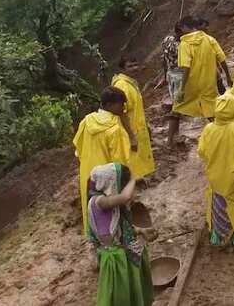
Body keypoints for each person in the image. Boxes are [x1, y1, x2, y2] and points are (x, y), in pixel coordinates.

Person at [87, 163, 154, 306]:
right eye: (121, 185)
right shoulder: (99, 202)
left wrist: (140, 231)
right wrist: (133, 180)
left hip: (124, 256)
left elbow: (120, 228)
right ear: (111, 183)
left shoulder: (112, 204)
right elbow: (124, 197)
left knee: (132, 294)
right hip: (115, 260)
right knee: (119, 297)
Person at [197, 94, 234, 248]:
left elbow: (202, 152)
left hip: (216, 178)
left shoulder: (208, 129)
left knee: (220, 206)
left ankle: (222, 236)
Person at [73, 87, 133, 235]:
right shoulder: (114, 129)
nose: (123, 108)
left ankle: (97, 239)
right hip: (108, 179)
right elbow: (120, 163)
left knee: (93, 212)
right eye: (121, 104)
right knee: (113, 217)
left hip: (88, 175)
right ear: (109, 105)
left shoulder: (86, 122)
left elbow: (78, 151)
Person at [171, 17, 232, 125]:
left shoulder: (184, 44)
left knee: (176, 110)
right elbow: (222, 59)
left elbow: (186, 68)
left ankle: (170, 141)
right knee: (211, 112)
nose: (178, 34)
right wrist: (228, 77)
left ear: (184, 27)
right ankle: (220, 134)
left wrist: (181, 89)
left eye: (179, 30)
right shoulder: (209, 39)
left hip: (191, 85)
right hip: (208, 84)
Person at [111, 57, 155, 179]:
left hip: (138, 128)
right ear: (122, 69)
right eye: (130, 66)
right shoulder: (122, 86)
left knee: (141, 162)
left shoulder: (130, 84)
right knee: (134, 162)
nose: (135, 69)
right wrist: (131, 136)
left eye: (136, 65)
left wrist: (146, 125)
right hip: (131, 130)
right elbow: (121, 112)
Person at [162, 22, 186, 148]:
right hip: (179, 76)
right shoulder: (180, 46)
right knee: (177, 108)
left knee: (177, 106)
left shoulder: (167, 40)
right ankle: (170, 140)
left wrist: (164, 74)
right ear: (180, 31)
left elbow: (163, 60)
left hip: (171, 74)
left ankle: (175, 135)